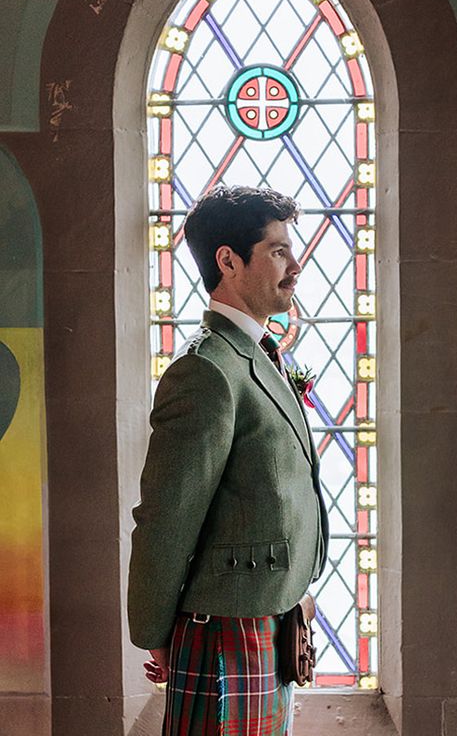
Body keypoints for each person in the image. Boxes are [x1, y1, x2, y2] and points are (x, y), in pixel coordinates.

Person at [128, 185, 328, 735]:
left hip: (268, 620)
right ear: (228, 261)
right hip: (224, 634)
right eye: (278, 251)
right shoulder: (206, 372)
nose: (296, 264)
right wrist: (155, 633)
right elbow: (166, 519)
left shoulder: (254, 355)